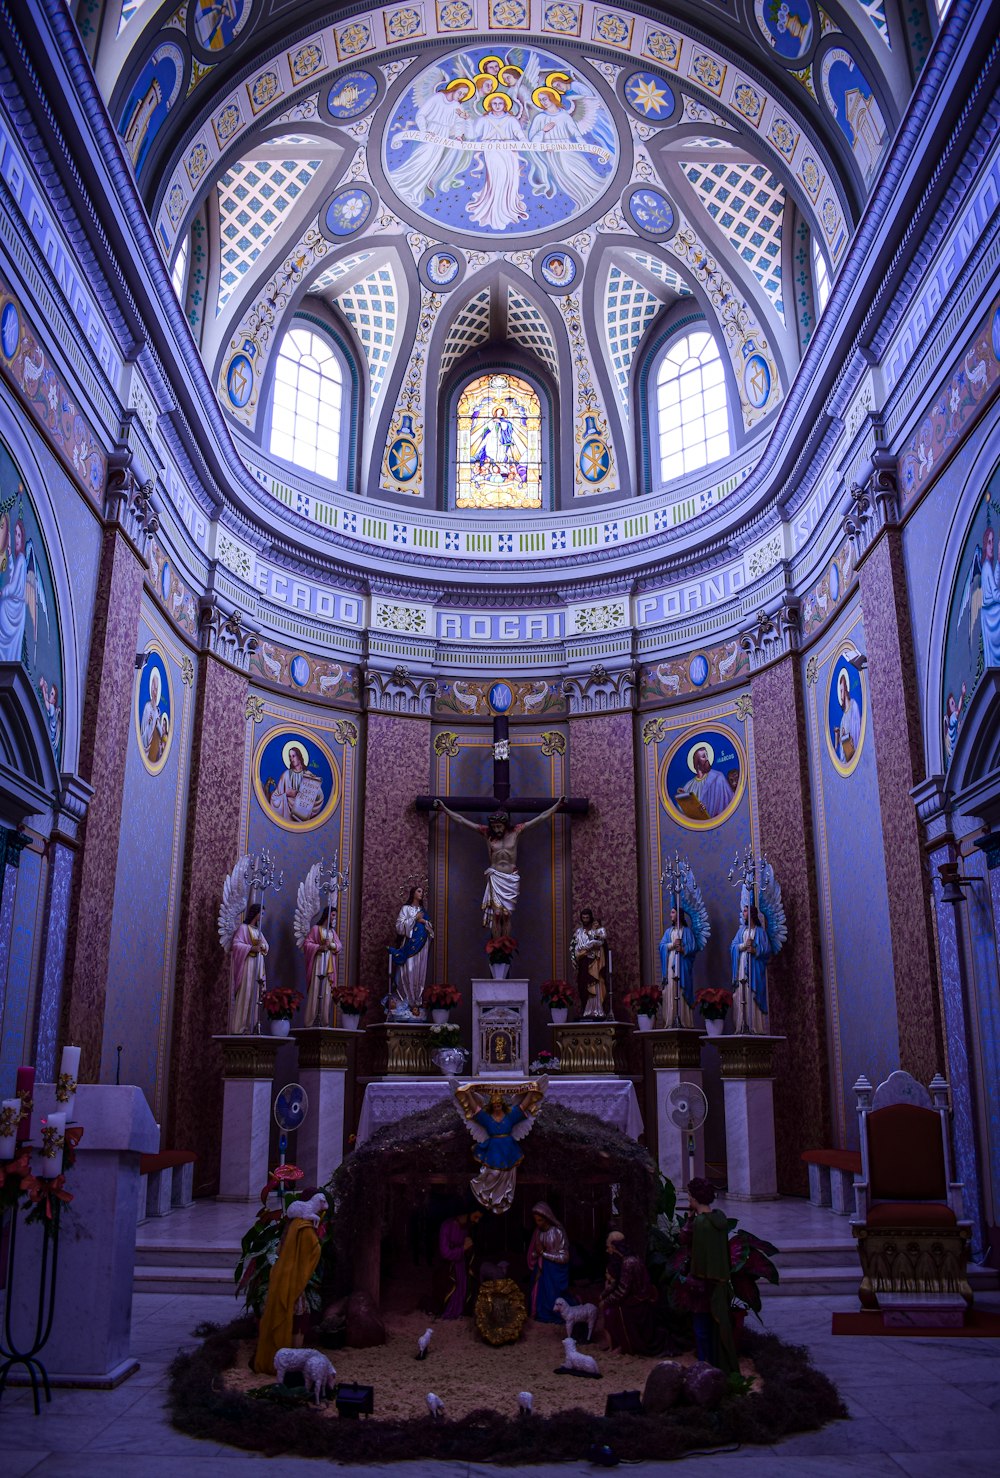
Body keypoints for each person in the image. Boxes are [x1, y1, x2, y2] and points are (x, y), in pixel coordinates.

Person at [433, 796, 564, 938]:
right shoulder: (487, 833)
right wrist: (445, 809)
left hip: (510, 877)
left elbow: (540, 818)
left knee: (506, 914)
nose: (497, 829)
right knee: (496, 914)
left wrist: (556, 806)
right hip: (496, 876)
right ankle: (496, 947)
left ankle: (505, 946)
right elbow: (462, 821)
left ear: (505, 824)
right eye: (494, 827)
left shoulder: (516, 831)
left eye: (499, 826)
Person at [455, 1084, 545, 1213]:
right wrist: (468, 1093)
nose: (497, 1107)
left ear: (502, 1104)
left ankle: (503, 1199)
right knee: (492, 1173)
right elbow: (475, 1108)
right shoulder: (487, 1118)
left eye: (499, 1104)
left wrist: (532, 1091)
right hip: (493, 1149)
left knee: (508, 1174)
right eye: (495, 1105)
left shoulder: (510, 1115)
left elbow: (523, 1106)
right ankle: (488, 1195)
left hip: (508, 1149)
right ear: (491, 1106)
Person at [685, 1178, 737, 1374]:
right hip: (720, 1281)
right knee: (717, 1327)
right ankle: (718, 1363)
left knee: (701, 1327)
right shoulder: (720, 1219)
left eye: (690, 1196)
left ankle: (703, 1365)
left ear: (695, 1198)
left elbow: (695, 1253)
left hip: (703, 1282)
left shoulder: (700, 1223)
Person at [466, 93, 528, 232]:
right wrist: (467, 121)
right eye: (495, 103)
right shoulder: (484, 119)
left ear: (505, 104)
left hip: (509, 152)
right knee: (497, 178)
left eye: (500, 103)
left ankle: (509, 208)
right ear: (490, 105)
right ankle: (494, 210)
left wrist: (526, 144)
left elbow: (520, 134)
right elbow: (472, 135)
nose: (498, 106)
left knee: (511, 180)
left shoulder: (511, 120)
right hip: (492, 150)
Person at [599, 1231, 662, 1355]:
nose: (607, 1250)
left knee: (615, 1312)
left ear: (613, 1246)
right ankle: (616, 1344)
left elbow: (622, 1291)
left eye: (608, 1246)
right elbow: (617, 1284)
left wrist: (605, 1301)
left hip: (638, 1302)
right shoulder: (624, 1260)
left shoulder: (629, 1263)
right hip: (633, 1298)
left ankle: (625, 1346)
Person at [388, 884, 434, 1015]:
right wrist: (414, 919)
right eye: (419, 891)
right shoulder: (406, 909)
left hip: (422, 947)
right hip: (409, 946)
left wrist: (424, 922)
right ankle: (405, 1000)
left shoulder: (423, 911)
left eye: (422, 892)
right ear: (413, 893)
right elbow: (399, 927)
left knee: (419, 971)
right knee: (408, 970)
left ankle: (416, 1002)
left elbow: (431, 929)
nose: (421, 893)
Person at [228, 901, 269, 1034]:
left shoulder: (258, 931)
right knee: (245, 993)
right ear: (255, 914)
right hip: (248, 967)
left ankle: (251, 1027)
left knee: (254, 995)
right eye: (261, 914)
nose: (262, 917)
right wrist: (251, 948)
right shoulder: (243, 928)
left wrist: (262, 947)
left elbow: (266, 946)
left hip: (257, 967)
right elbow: (236, 945)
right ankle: (240, 1028)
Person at [527, 1201, 569, 1322]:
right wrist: (537, 1254)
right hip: (542, 1268)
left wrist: (544, 1254)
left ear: (547, 1218)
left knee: (552, 1295)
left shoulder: (557, 1232)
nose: (538, 1223)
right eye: (536, 1220)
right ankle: (539, 1313)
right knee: (537, 1291)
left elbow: (565, 1257)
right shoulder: (538, 1232)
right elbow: (535, 1252)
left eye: (540, 1220)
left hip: (555, 1271)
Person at [730, 904, 770, 1034]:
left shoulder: (760, 932)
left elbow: (767, 950)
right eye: (743, 911)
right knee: (742, 994)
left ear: (752, 913)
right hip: (742, 967)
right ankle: (742, 1024)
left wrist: (755, 950)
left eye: (746, 911)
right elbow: (733, 947)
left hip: (754, 969)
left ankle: (755, 1027)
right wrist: (742, 946)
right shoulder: (741, 931)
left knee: (752, 994)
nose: (743, 913)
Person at [437, 1206, 483, 1318]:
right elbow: (445, 1253)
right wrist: (463, 1248)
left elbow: (468, 1251)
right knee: (452, 1291)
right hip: (449, 1269)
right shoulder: (447, 1226)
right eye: (475, 1216)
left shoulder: (467, 1228)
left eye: (479, 1218)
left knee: (463, 1290)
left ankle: (460, 1311)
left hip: (461, 1266)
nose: (476, 1221)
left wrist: (469, 1248)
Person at [302, 903, 341, 1029]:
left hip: (329, 964)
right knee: (315, 990)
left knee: (327, 992)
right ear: (327, 915)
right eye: (333, 915)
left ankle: (324, 1022)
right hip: (319, 962)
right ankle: (310, 1022)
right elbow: (307, 944)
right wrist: (319, 947)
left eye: (335, 916)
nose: (334, 918)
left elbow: (339, 946)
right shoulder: (316, 929)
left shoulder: (331, 932)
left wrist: (331, 946)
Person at [659, 907, 696, 1027]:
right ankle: (671, 1019)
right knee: (671, 989)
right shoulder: (669, 932)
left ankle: (683, 1020)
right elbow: (662, 946)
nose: (670, 915)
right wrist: (672, 945)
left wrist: (683, 949)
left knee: (681, 989)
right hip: (671, 965)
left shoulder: (686, 932)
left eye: (673, 912)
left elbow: (693, 947)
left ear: (679, 915)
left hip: (682, 966)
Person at [269, 743, 324, 823]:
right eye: (290, 757)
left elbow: (319, 797)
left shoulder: (309, 775)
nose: (291, 759)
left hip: (303, 815)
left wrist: (314, 789)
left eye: (293, 756)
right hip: (287, 816)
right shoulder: (286, 775)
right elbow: (274, 798)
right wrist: (286, 794)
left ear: (299, 757)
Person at [675, 745, 732, 820]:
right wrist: (683, 797)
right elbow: (682, 813)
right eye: (703, 757)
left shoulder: (717, 777)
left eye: (707, 755)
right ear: (697, 762)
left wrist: (706, 809)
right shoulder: (688, 785)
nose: (707, 759)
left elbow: (728, 802)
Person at [570, 908, 608, 1018]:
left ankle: (597, 1009)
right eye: (583, 918)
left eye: (587, 917)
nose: (585, 920)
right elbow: (575, 947)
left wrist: (594, 946)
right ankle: (586, 1010)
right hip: (583, 962)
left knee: (596, 984)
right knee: (583, 986)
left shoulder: (596, 931)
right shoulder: (579, 932)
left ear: (591, 918)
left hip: (594, 962)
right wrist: (580, 953)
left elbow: (602, 944)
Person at [0, 517, 27, 662]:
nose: (16, 538)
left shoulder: (22, 559)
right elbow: (12, 576)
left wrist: (2, 592)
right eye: (15, 534)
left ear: (22, 539)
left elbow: (15, 585)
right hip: (15, 607)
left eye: (19, 535)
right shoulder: (18, 560)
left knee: (3, 606)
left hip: (14, 609)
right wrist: (10, 557)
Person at [140, 666, 168, 763]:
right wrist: (148, 722)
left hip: (152, 745)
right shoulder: (147, 707)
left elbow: (158, 727)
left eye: (156, 688)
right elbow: (143, 727)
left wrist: (163, 735)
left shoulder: (157, 711)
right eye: (153, 687)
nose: (154, 691)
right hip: (145, 738)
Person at [835, 668, 862, 765]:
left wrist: (847, 737)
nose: (841, 694)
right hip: (848, 758)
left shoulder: (853, 706)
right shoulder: (842, 719)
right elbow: (843, 752)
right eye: (839, 691)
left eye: (841, 690)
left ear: (846, 688)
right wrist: (841, 737)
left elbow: (857, 733)